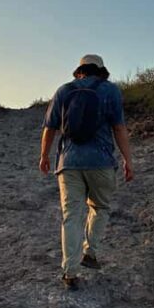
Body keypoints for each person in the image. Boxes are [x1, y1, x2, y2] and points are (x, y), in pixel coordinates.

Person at [39, 55, 133, 288]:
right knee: (99, 207)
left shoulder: (63, 91)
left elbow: (49, 128)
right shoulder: (110, 90)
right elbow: (119, 128)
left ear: (79, 70)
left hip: (68, 162)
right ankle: (90, 253)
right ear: (101, 71)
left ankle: (70, 273)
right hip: (100, 161)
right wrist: (127, 160)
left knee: (71, 216)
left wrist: (44, 156)